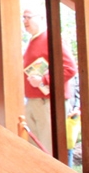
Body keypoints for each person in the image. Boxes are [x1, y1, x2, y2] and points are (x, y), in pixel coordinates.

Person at [21, 8, 77, 155]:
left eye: (28, 17)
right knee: (35, 148)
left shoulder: (51, 39)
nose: (25, 21)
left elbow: (70, 68)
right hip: (33, 100)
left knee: (48, 148)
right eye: (23, 18)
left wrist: (44, 80)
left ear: (41, 17)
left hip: (47, 101)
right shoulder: (32, 41)